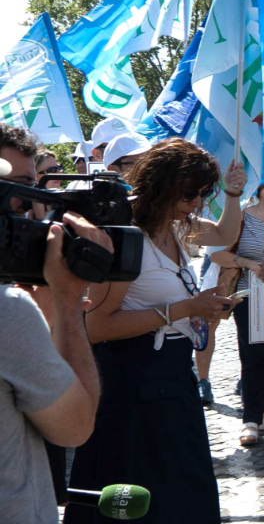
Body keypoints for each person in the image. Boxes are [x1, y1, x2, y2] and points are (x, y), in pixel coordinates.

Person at [68, 139, 246, 523]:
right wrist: (186, 308)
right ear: (162, 184)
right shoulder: (124, 235)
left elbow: (224, 234)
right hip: (132, 382)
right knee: (143, 498)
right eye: (190, 192)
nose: (197, 202)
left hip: (172, 376)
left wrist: (232, 195)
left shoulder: (176, 226)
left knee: (184, 496)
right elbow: (97, 326)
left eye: (204, 193)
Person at [0, 125, 111, 523]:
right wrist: (66, 301)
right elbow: (74, 428)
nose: (31, 212)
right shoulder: (8, 312)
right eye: (17, 191)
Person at [209, 178, 264, 446]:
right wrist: (250, 264)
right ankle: (250, 419)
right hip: (250, 297)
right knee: (254, 356)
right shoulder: (242, 218)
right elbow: (217, 255)